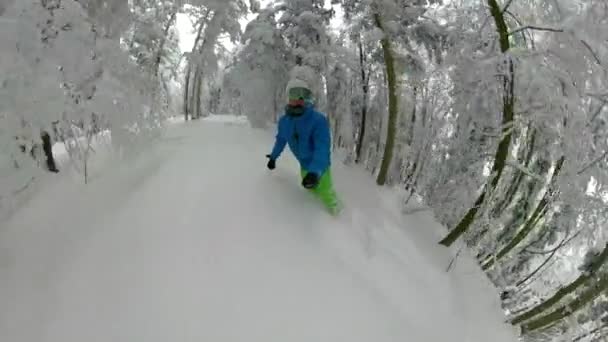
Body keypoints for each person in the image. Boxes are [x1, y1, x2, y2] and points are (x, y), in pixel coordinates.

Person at [266, 79, 342, 216]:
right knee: (311, 191)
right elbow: (281, 140)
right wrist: (273, 157)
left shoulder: (318, 120)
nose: (299, 99)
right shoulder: (284, 122)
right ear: (288, 98)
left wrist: (315, 172)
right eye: (295, 94)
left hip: (320, 168)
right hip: (303, 165)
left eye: (303, 95)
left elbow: (322, 148)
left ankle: (339, 218)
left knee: (326, 194)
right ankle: (315, 212)